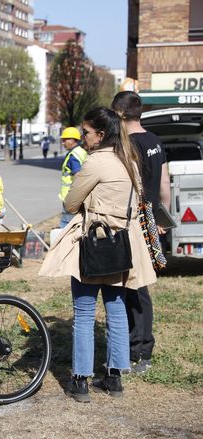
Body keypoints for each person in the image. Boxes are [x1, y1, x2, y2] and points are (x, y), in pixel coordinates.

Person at [39, 107, 157, 403]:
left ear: (100, 135)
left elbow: (70, 203)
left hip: (94, 243)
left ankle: (80, 381)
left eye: (86, 132)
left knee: (83, 312)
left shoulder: (95, 163)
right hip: (122, 245)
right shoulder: (130, 160)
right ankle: (115, 376)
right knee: (116, 310)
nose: (82, 137)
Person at [112, 91, 171, 375]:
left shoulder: (128, 145)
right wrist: (162, 219)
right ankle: (137, 346)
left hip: (134, 220)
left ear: (121, 115)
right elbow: (165, 185)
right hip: (151, 219)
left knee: (133, 286)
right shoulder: (155, 141)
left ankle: (140, 349)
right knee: (139, 284)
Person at [58, 127, 88, 228]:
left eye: (64, 140)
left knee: (66, 226)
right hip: (79, 196)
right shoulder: (81, 152)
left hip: (70, 197)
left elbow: (77, 176)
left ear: (72, 140)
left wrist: (74, 196)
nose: (63, 142)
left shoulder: (73, 157)